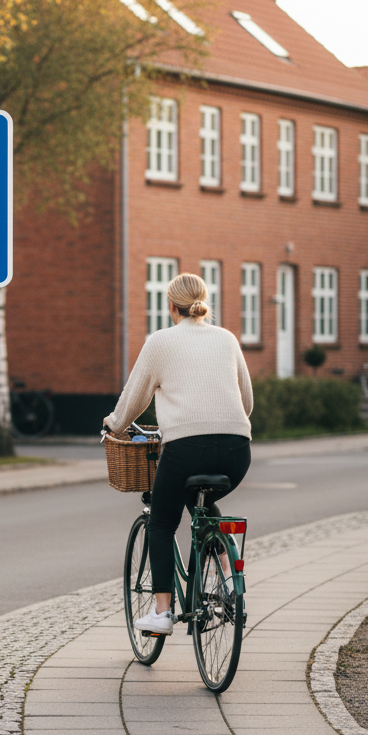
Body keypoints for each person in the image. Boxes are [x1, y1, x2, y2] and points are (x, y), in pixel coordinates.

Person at [103, 272, 253, 636]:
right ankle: (232, 584)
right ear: (204, 303)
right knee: (203, 509)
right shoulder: (227, 339)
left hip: (185, 449)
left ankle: (161, 613)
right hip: (237, 450)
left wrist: (113, 425)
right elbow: (246, 401)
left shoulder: (161, 342)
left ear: (170, 306)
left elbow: (134, 399)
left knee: (161, 522)